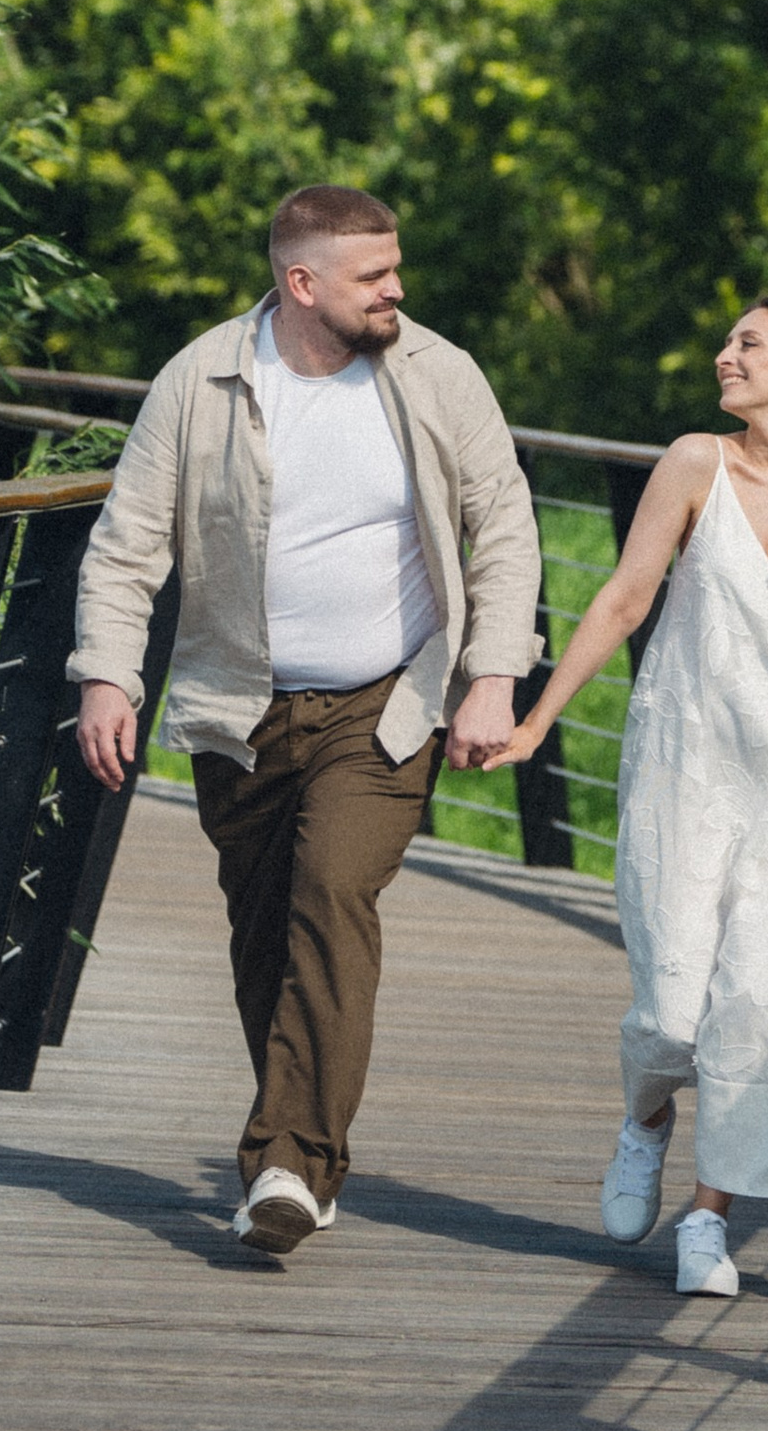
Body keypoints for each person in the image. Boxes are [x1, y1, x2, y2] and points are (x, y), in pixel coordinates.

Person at [72, 186, 541, 1256]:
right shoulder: (199, 379)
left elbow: (505, 525)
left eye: (395, 267)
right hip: (242, 709)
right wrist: (106, 675)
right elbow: (128, 542)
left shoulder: (439, 373)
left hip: (387, 701)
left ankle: (288, 1162)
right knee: (264, 935)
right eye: (373, 275)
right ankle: (299, 1146)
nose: (396, 289)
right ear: (302, 282)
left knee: (331, 892)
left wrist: (492, 674)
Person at [489, 295, 768, 1300]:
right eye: (726, 340)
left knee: (759, 1003)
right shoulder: (693, 463)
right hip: (689, 767)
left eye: (746, 343)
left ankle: (706, 1218)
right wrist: (537, 720)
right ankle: (645, 1119)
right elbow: (624, 597)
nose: (724, 355)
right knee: (674, 1013)